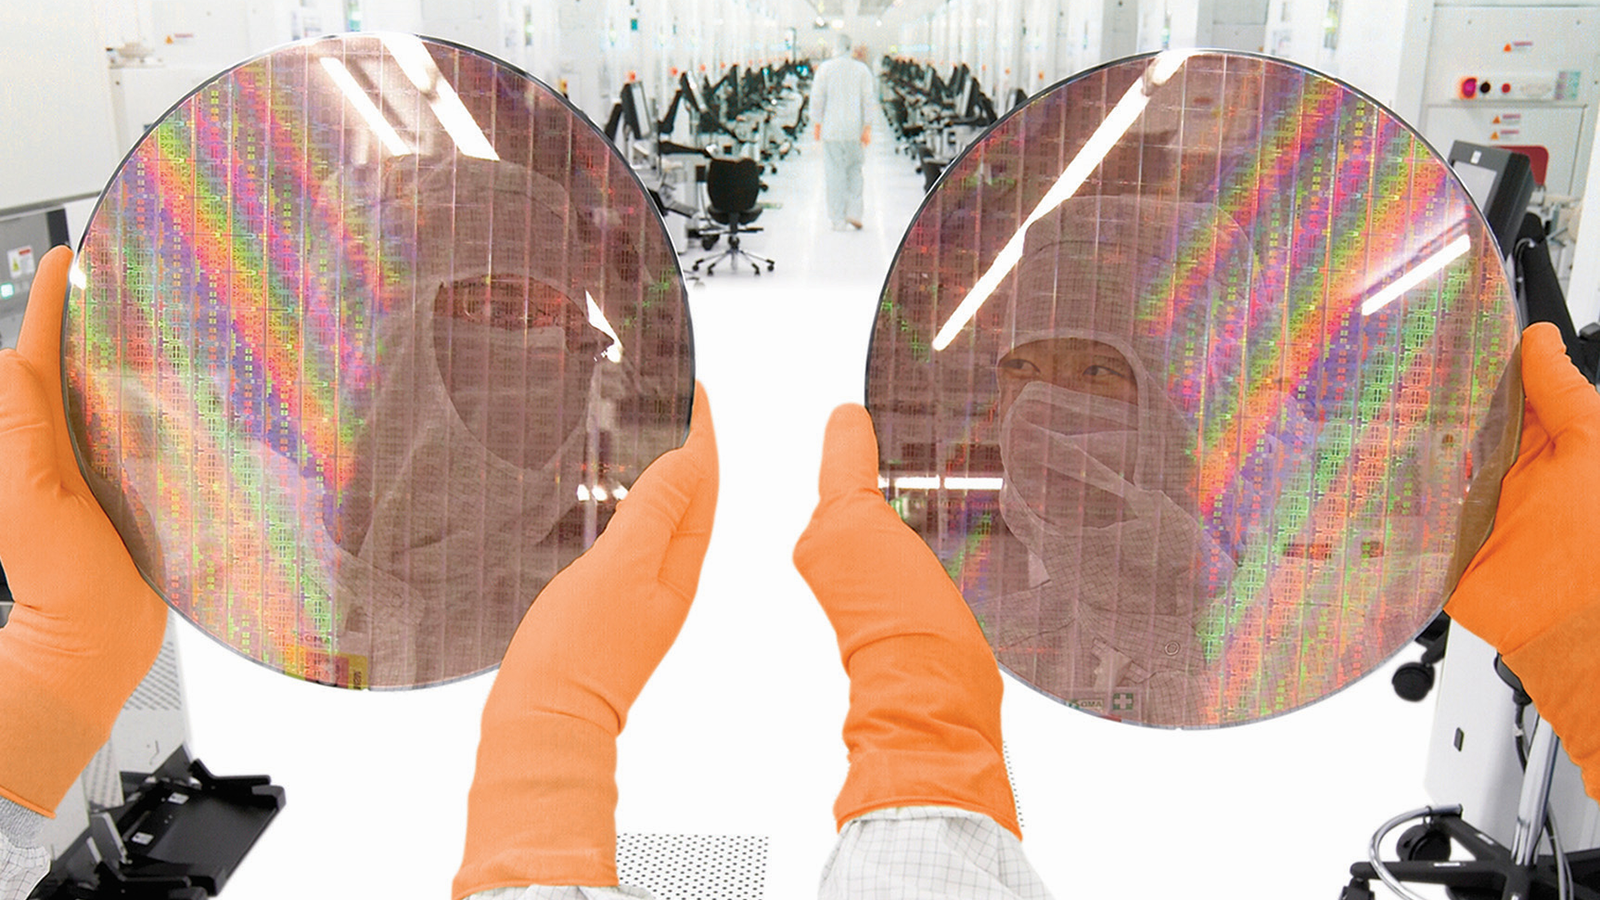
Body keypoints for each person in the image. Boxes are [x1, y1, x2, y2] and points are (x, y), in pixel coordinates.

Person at [811, 40, 876, 232]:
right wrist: (868, 126)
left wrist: (817, 123)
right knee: (855, 170)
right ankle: (855, 213)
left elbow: (817, 98)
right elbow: (868, 100)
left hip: (832, 130)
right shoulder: (862, 69)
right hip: (855, 130)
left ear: (835, 49)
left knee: (834, 173)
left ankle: (838, 219)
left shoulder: (825, 69)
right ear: (850, 49)